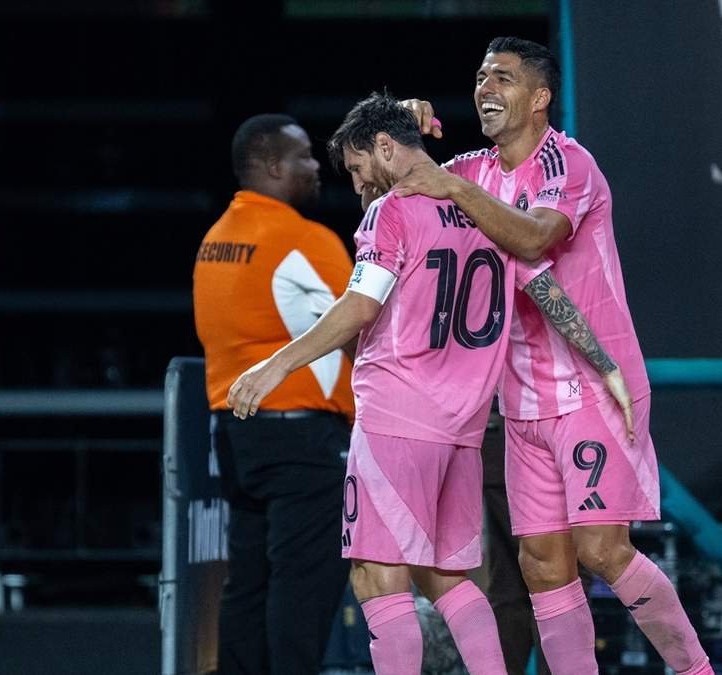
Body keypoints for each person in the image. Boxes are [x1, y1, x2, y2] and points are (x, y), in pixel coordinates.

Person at [225, 93, 632, 675]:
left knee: (376, 579)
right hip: (464, 429)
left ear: (384, 147)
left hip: (395, 419)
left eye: (360, 168)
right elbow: (548, 292)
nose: (359, 185)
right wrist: (606, 364)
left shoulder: (391, 211)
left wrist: (277, 365)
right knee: (447, 578)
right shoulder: (489, 208)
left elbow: (361, 305)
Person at [394, 37, 713, 675]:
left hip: (594, 386)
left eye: (503, 78)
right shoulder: (472, 171)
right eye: (481, 76)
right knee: (541, 564)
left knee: (601, 550)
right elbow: (388, 196)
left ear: (539, 97)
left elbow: (536, 237)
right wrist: (399, 134)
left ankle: (696, 671)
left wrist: (446, 185)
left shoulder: (568, 162)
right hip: (520, 401)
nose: (486, 88)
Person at [192, 113, 356, 675]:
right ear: (272, 166)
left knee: (249, 580)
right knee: (303, 584)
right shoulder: (302, 239)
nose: (316, 166)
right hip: (303, 441)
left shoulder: (215, 240)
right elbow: (365, 328)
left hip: (236, 436)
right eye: (304, 155)